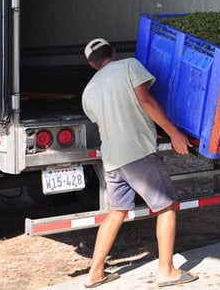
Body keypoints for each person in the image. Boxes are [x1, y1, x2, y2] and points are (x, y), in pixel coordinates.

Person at [81, 38, 199, 288]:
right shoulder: (129, 66)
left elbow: (107, 123)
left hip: (112, 159)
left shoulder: (88, 92)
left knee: (116, 213)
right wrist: (174, 133)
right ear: (113, 51)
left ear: (92, 64)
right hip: (138, 155)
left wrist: (146, 129)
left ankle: (95, 272)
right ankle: (166, 271)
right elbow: (145, 102)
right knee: (166, 207)